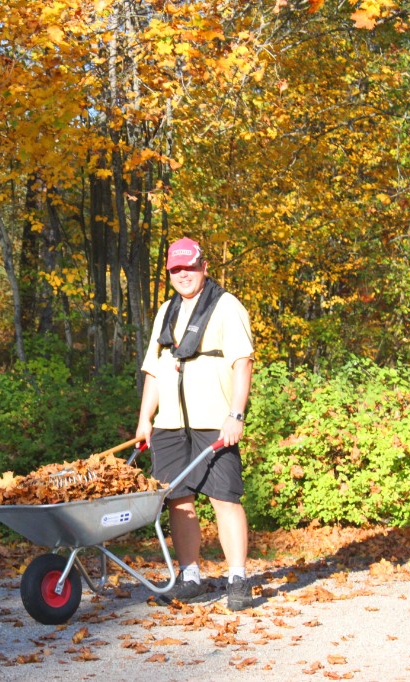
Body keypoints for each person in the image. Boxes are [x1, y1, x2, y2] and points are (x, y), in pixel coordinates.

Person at [135, 236, 255, 611]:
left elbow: (243, 362)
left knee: (224, 498)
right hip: (170, 425)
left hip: (214, 422)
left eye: (189, 266)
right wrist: (145, 419)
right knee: (177, 499)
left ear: (204, 267)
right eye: (176, 268)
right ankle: (190, 577)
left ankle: (238, 579)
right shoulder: (165, 311)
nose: (183, 274)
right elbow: (153, 370)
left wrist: (235, 414)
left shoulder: (226, 306)